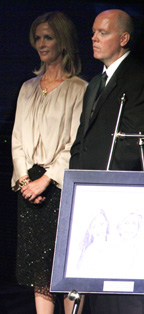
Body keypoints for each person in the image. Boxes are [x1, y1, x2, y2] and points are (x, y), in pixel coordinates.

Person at [11, 11, 87, 314]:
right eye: (38, 38)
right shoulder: (28, 87)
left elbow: (75, 143)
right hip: (29, 187)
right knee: (39, 275)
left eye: (49, 37)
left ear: (63, 41)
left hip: (60, 186)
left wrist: (47, 179)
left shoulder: (79, 89)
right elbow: (17, 140)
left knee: (66, 272)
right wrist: (25, 180)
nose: (42, 44)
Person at [69, 9, 144, 314]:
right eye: (93, 32)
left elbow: (133, 140)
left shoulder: (138, 78)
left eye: (103, 33)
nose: (94, 38)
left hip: (119, 198)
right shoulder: (93, 85)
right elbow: (82, 142)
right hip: (90, 198)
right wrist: (76, 184)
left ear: (123, 38)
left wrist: (106, 185)